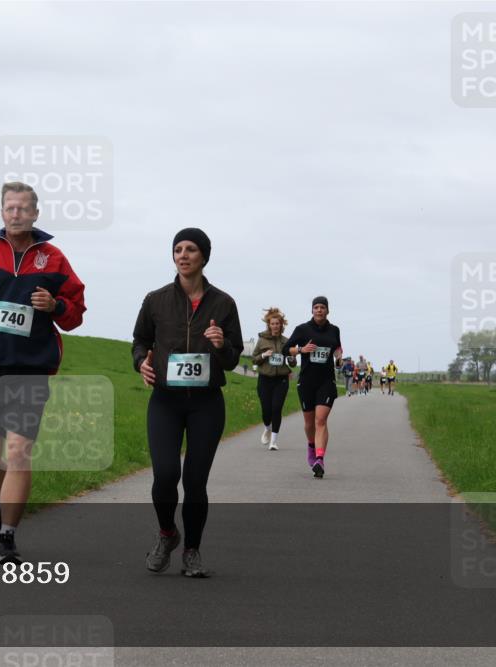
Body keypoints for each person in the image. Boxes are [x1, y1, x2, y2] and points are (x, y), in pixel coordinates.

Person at [0, 182, 86, 564]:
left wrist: (55, 305)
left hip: (31, 368)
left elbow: (76, 311)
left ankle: (7, 535)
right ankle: (2, 503)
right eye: (10, 207)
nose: (16, 214)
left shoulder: (53, 259)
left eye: (24, 208)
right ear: (2, 212)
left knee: (19, 453)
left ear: (36, 214)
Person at [133, 228, 243, 577]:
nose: (183, 255)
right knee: (166, 475)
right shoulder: (156, 300)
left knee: (195, 481)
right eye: (177, 249)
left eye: (191, 249)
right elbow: (139, 341)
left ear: (204, 256)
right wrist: (141, 363)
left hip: (206, 403)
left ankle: (192, 551)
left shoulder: (223, 303)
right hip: (165, 400)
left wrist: (221, 344)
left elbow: (233, 358)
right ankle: (167, 534)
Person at [283, 297, 343, 478]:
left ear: (327, 311)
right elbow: (287, 349)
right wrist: (301, 350)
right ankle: (311, 445)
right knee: (309, 423)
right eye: (316, 307)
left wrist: (339, 357)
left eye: (322, 307)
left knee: (320, 421)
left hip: (326, 382)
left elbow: (337, 348)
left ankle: (319, 459)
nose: (319, 310)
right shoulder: (302, 329)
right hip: (307, 382)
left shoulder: (334, 330)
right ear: (312, 310)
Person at [250, 307, 295, 451]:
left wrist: (291, 358)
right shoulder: (262, 340)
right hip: (265, 379)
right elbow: (254, 359)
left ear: (282, 325)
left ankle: (274, 441)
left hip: (281, 379)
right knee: (266, 411)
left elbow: (293, 363)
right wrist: (264, 356)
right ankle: (267, 428)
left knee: (276, 408)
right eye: (273, 323)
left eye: (278, 323)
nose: (275, 326)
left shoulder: (287, 342)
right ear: (269, 325)